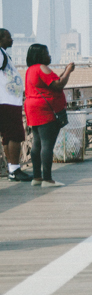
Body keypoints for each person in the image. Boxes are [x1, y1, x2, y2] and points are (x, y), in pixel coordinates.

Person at [23, 44, 74, 187]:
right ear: (40, 56)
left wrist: (64, 71)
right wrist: (68, 71)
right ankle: (47, 179)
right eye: (46, 53)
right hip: (45, 109)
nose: (49, 55)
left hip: (32, 108)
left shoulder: (30, 70)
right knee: (47, 144)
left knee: (37, 143)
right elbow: (58, 85)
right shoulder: (42, 67)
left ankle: (37, 177)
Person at [0, 29, 30, 182]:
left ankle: (12, 169)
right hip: (7, 102)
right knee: (16, 135)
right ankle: (15, 169)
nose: (11, 40)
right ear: (1, 39)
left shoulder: (3, 54)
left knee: (8, 136)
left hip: (9, 101)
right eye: (8, 37)